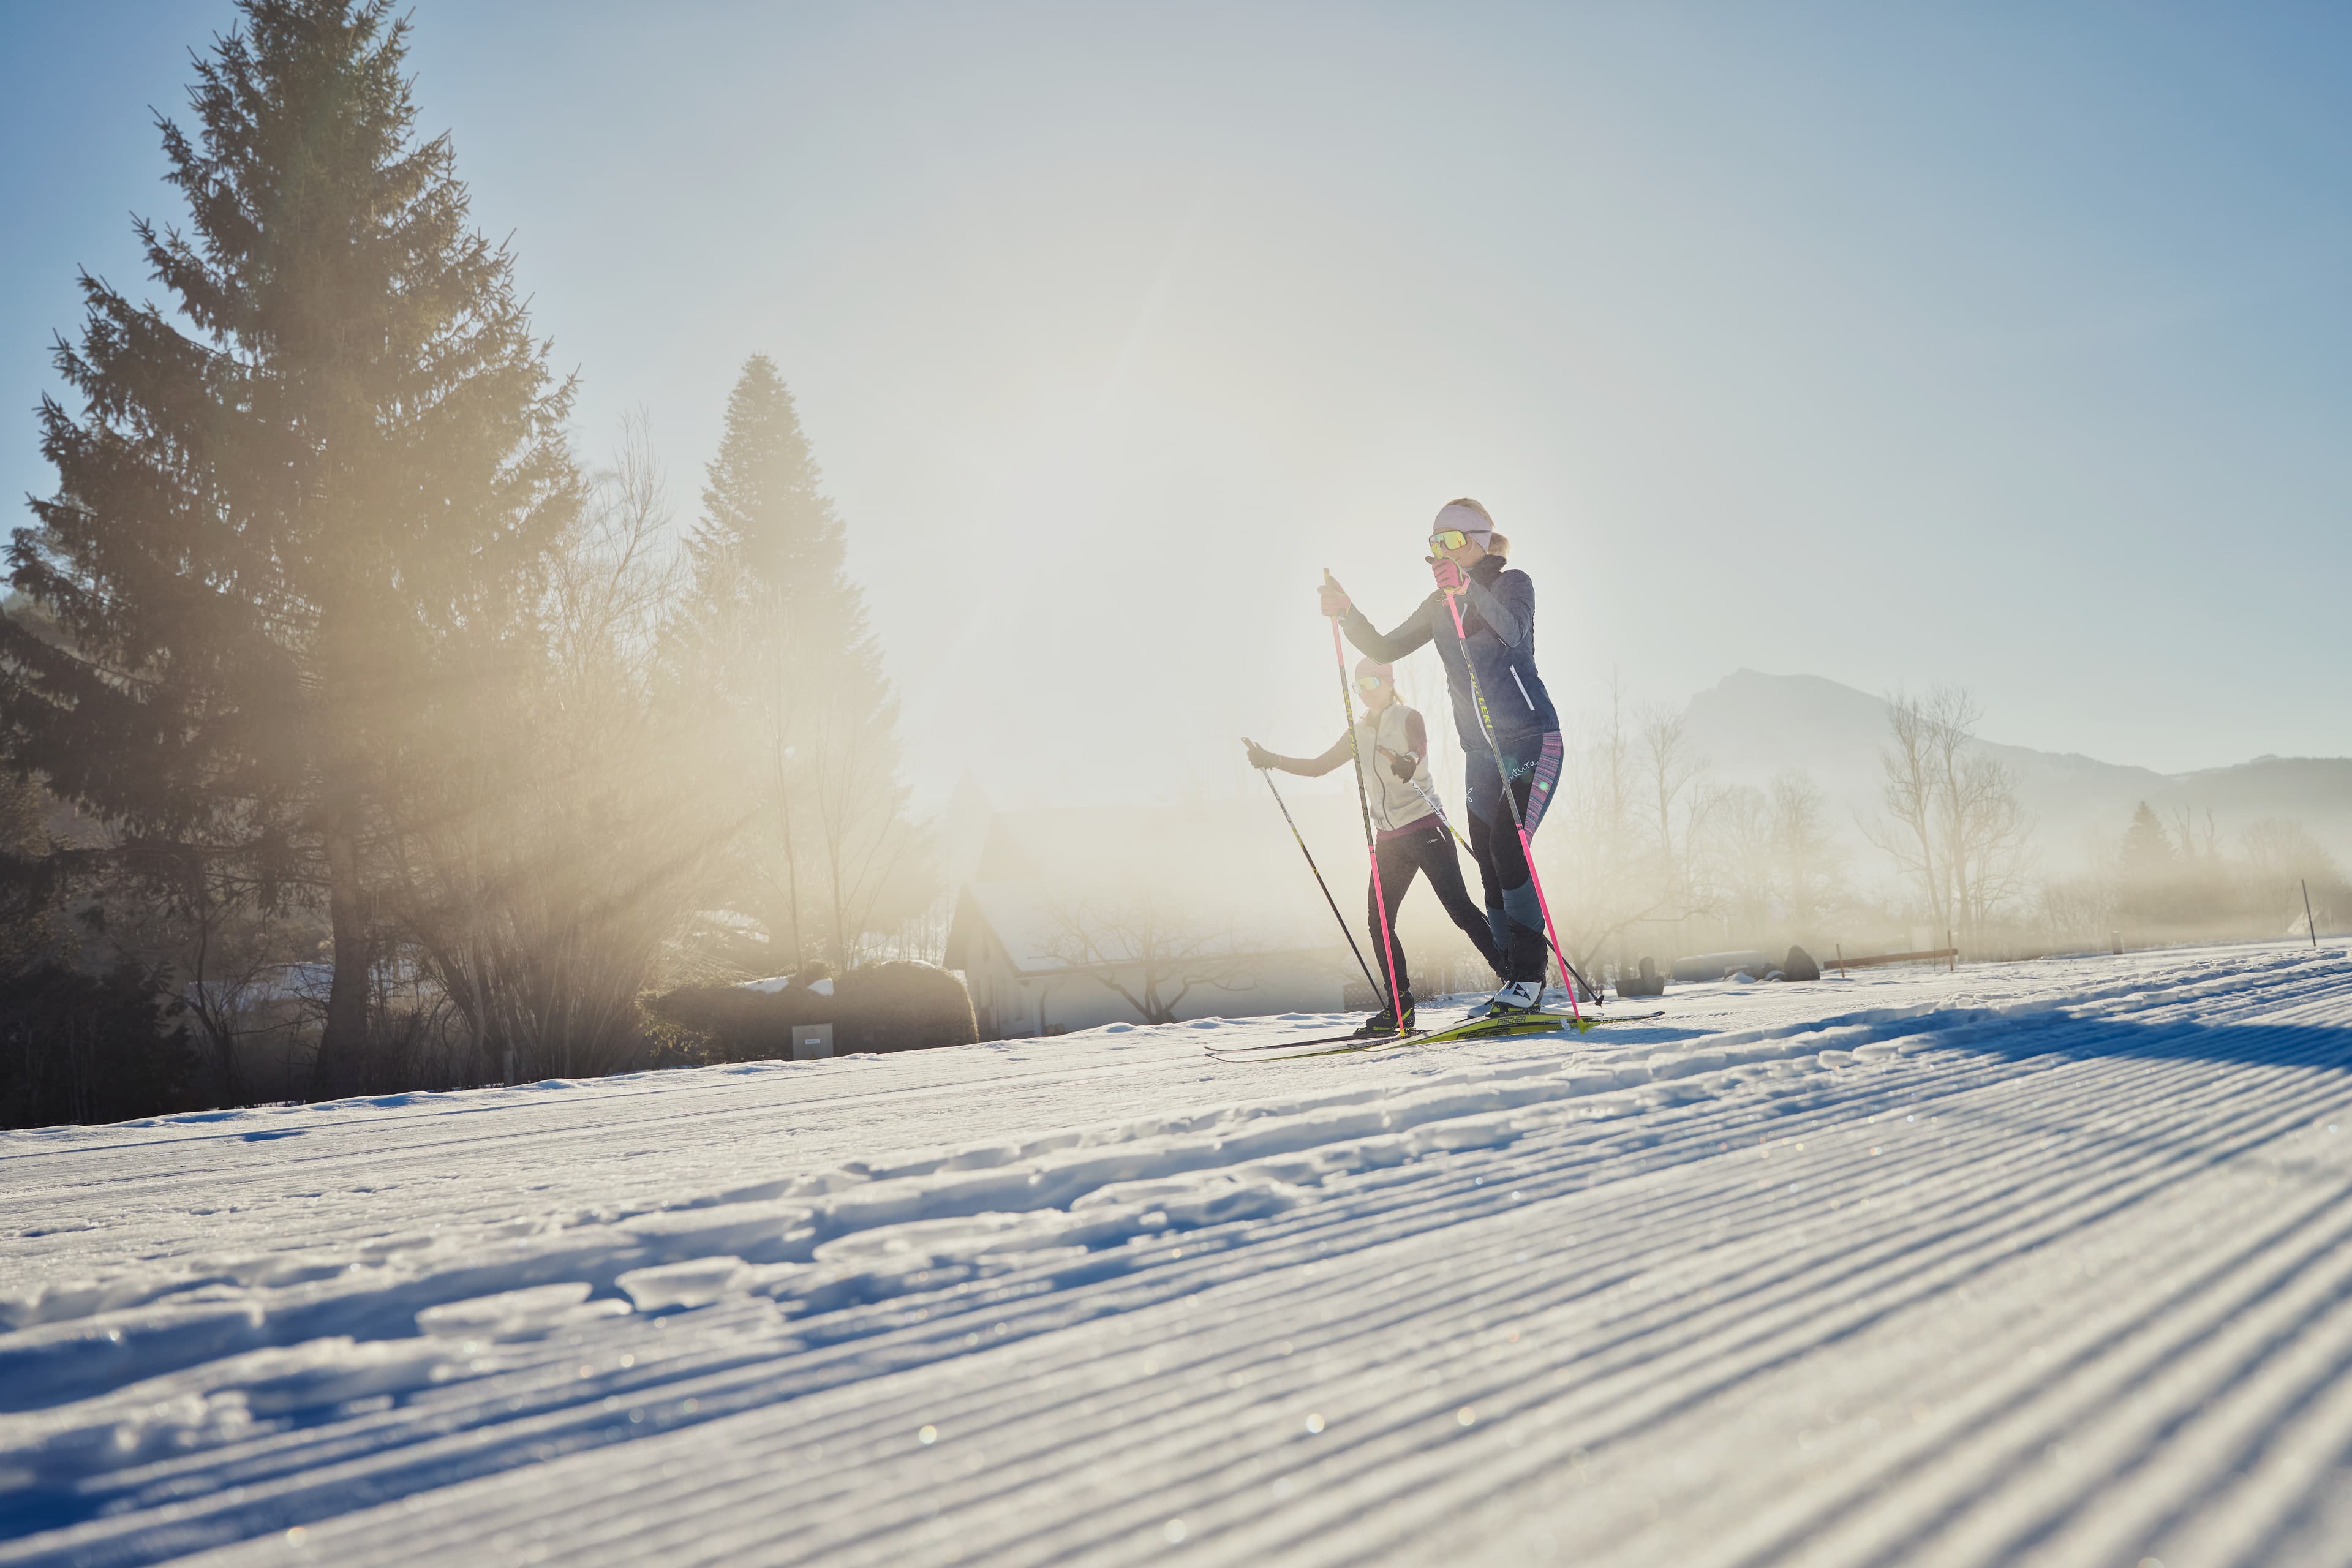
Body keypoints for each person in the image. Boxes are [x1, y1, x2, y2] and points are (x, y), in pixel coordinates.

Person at [1318, 498, 1563, 1014]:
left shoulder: (1512, 584)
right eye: (1433, 544)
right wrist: (1347, 614)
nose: (1440, 553)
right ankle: (1514, 980)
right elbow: (1384, 649)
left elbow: (1513, 631)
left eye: (1450, 540)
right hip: (1480, 754)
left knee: (1509, 846)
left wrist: (1467, 589)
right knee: (1490, 866)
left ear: (1480, 539)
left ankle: (1531, 979)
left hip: (1530, 741)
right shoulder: (1437, 607)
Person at [1243, 658, 1506, 1036]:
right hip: (1390, 839)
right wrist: (1272, 760)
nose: (1364, 690)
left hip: (1425, 826)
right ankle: (1400, 1008)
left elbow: (1419, 748)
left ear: (1387, 681)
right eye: (1358, 685)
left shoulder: (1407, 716)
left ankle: (1514, 981)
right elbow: (1319, 767)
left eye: (1370, 681)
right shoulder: (1358, 732)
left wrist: (1408, 762)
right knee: (1379, 921)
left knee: (1460, 910)